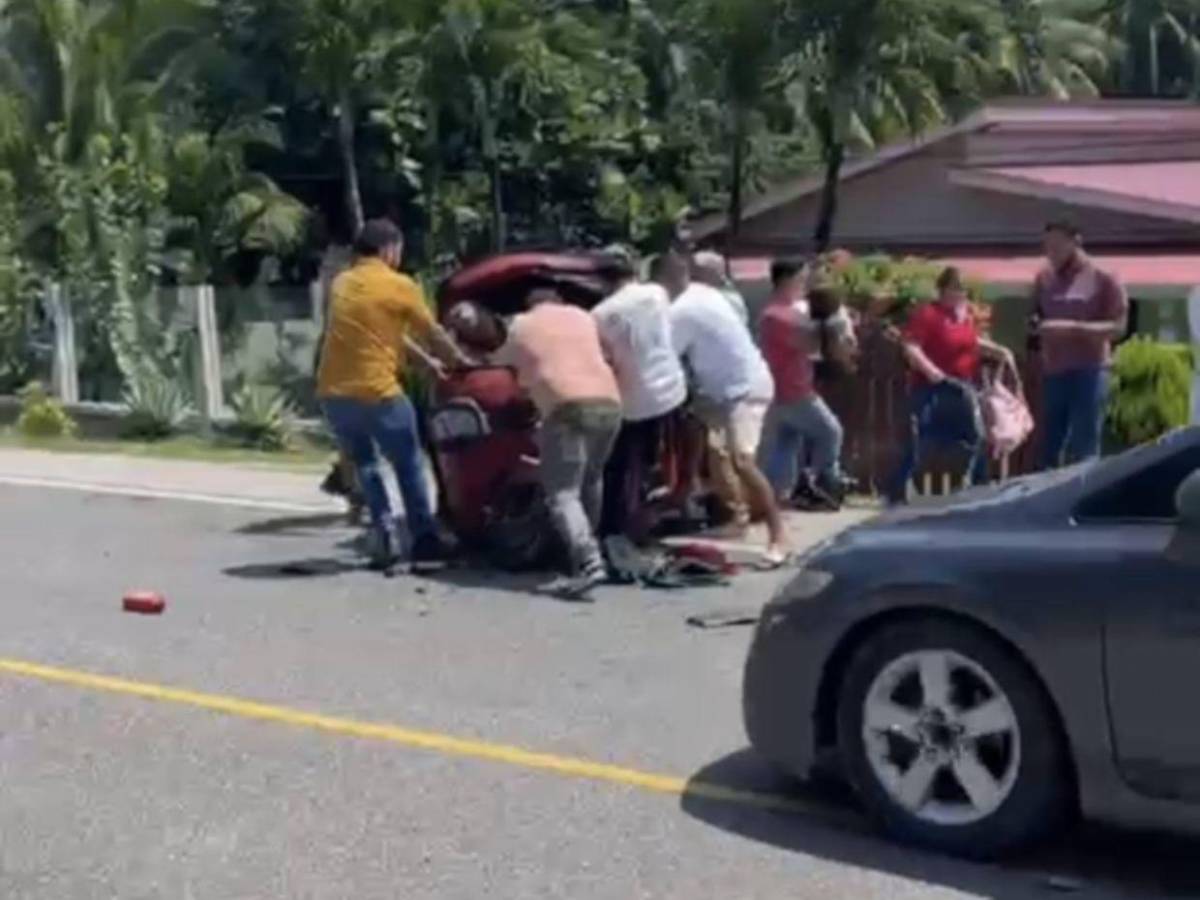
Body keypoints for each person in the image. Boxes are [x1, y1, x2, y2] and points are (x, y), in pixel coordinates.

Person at [316, 218, 472, 571]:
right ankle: (424, 539)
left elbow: (385, 335)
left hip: (334, 393)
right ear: (389, 249)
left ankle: (385, 535)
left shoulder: (342, 283)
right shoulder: (398, 285)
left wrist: (427, 363)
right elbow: (431, 332)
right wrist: (461, 362)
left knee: (367, 463)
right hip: (377, 392)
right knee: (409, 462)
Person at [492, 285, 622, 600]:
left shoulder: (520, 325)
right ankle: (584, 556)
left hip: (565, 406)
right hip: (610, 402)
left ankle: (588, 560)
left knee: (563, 493)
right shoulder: (582, 316)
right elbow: (608, 354)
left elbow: (496, 362)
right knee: (591, 480)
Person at [660, 251, 787, 565]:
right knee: (707, 442)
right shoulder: (708, 295)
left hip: (742, 391)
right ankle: (707, 505)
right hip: (726, 390)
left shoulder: (682, 310)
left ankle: (779, 535)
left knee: (742, 461)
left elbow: (664, 356)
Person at [886, 266, 1014, 504]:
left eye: (962, 290)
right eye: (954, 289)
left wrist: (998, 350)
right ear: (943, 290)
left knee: (975, 436)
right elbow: (911, 346)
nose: (959, 295)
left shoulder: (965, 316)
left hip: (961, 386)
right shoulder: (929, 315)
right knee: (920, 441)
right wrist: (930, 369)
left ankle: (979, 488)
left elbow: (971, 342)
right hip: (931, 387)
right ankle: (895, 491)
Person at [591, 249, 688, 543]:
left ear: (603, 282)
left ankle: (617, 525)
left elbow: (604, 361)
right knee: (656, 460)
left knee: (619, 465)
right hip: (673, 390)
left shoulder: (600, 315)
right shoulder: (657, 293)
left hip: (635, 401)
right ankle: (657, 510)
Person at [757, 258, 855, 508]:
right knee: (830, 431)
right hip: (792, 390)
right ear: (787, 280)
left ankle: (780, 494)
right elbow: (812, 343)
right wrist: (836, 322)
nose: (805, 284)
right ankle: (822, 483)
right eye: (801, 279)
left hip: (786, 387)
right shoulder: (777, 315)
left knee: (787, 442)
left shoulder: (786, 312)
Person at [1032, 220, 1128, 468]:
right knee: (1049, 444)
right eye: (1047, 246)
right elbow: (1036, 316)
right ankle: (1044, 502)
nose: (1050, 252)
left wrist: (1070, 329)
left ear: (1076, 241)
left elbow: (1118, 327)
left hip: (1090, 370)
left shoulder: (1103, 278)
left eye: (1056, 245)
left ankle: (1081, 500)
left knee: (1084, 443)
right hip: (1054, 370)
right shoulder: (1044, 278)